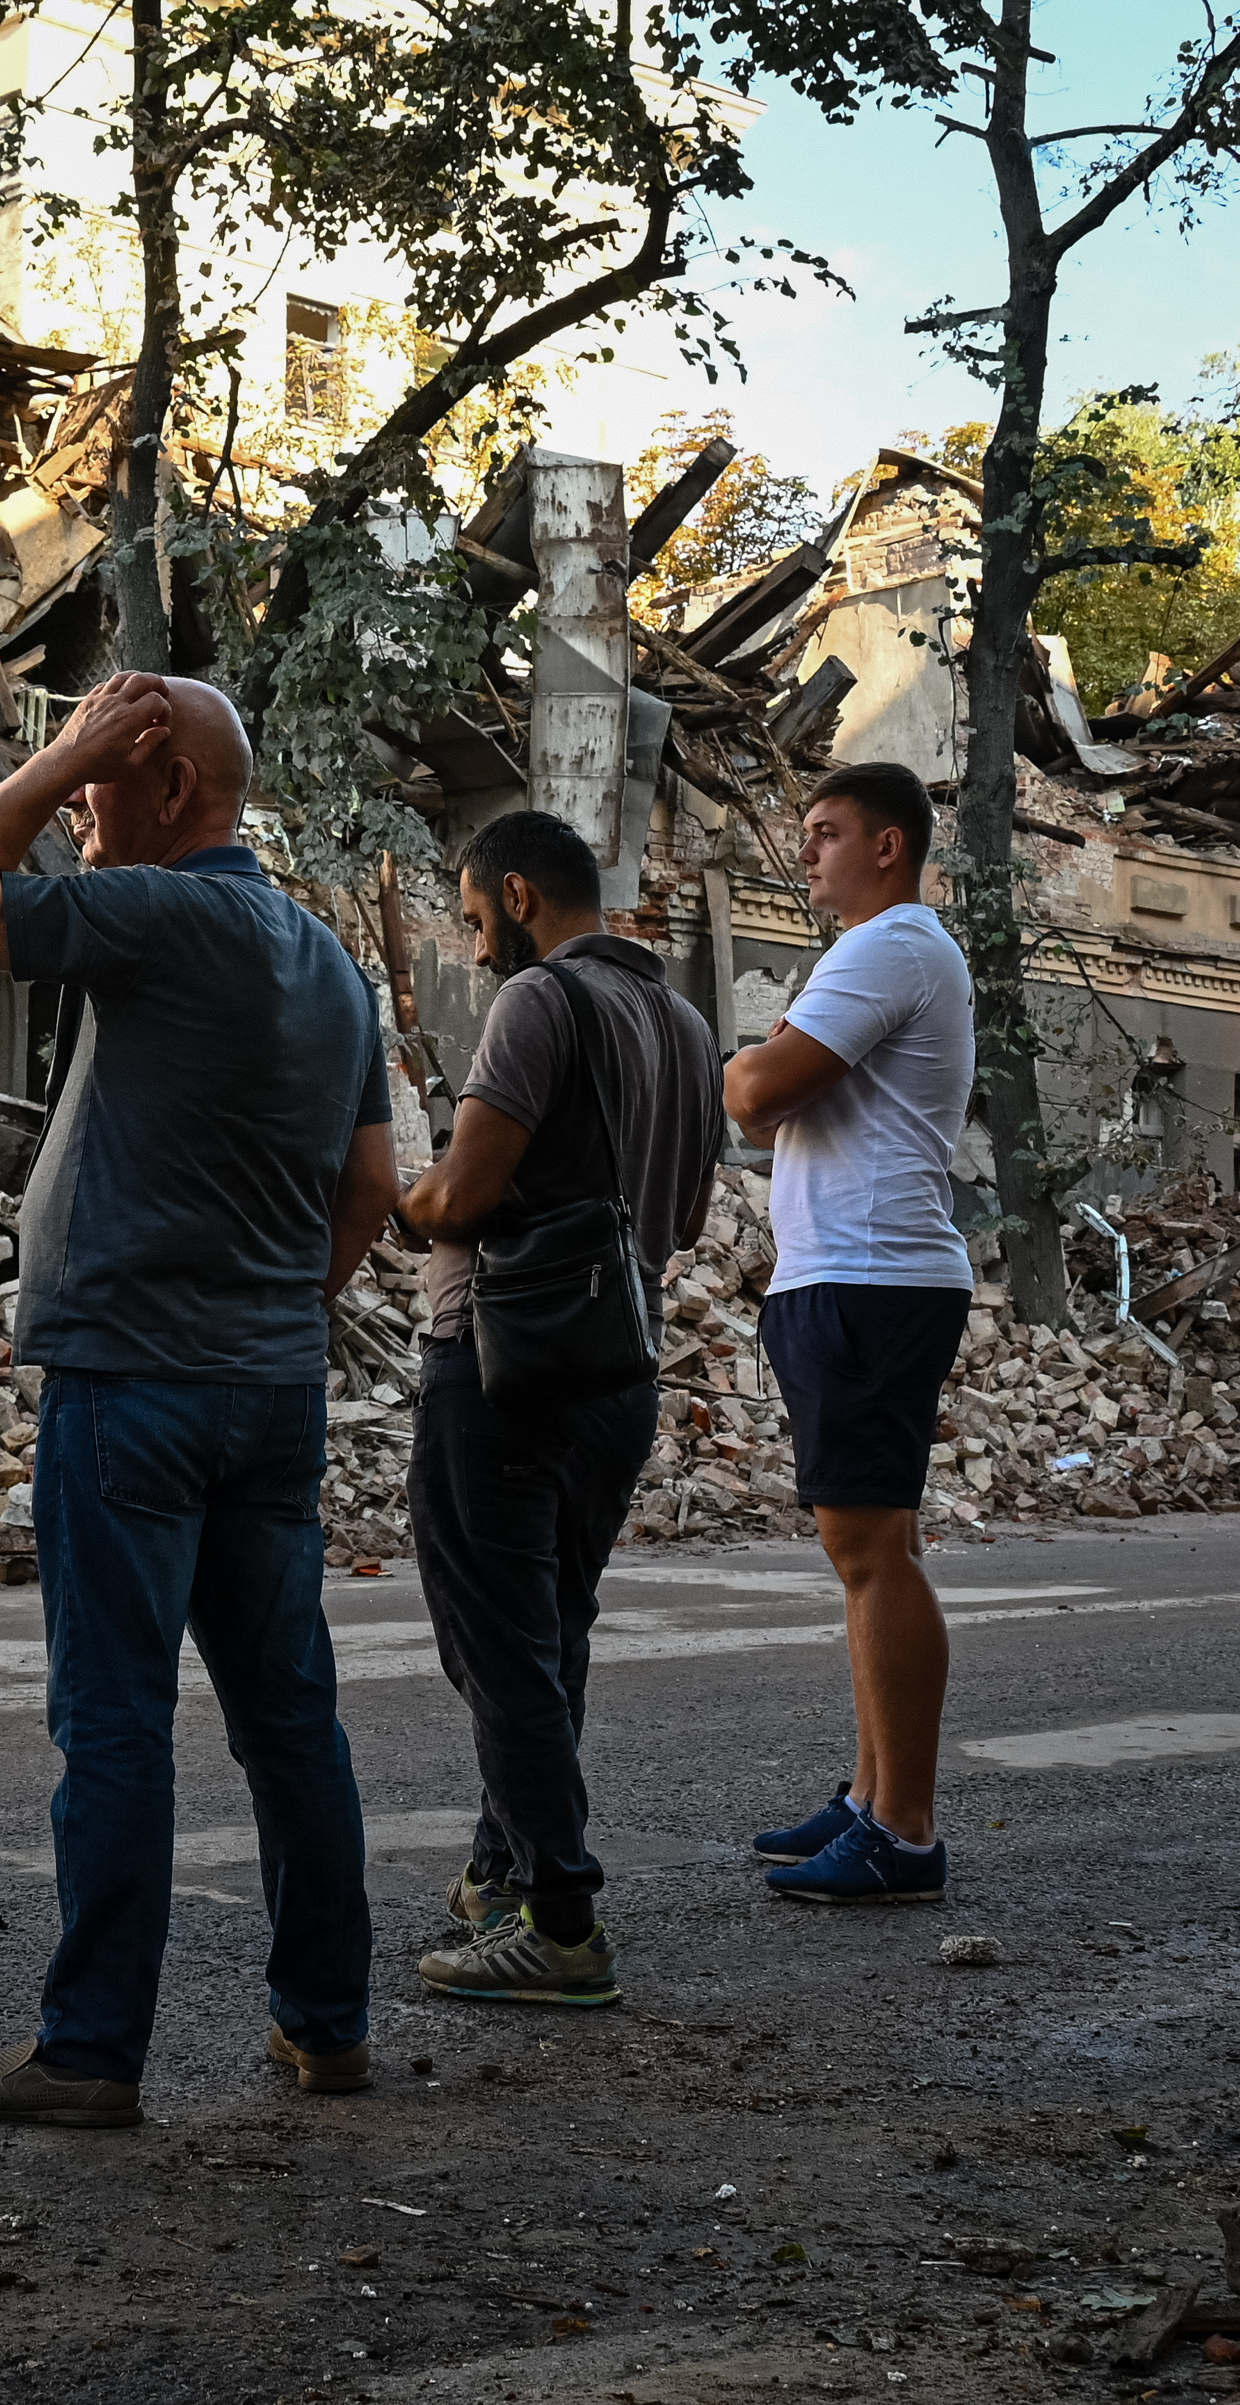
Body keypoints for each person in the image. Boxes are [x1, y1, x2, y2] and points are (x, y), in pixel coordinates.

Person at [0, 672, 398, 2128]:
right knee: (290, 1716)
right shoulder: (326, 959)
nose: (87, 808)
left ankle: (93, 2048)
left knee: (113, 1718)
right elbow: (367, 1190)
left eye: (114, 776)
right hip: (269, 1387)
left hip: (134, 1383)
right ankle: (329, 2022)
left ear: (170, 787)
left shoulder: (165, 915)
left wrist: (57, 755)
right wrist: (277, 1308)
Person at [388, 809, 721, 2005]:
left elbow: (467, 1194)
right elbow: (680, 1221)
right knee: (549, 1635)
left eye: (477, 922)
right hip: (616, 1373)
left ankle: (563, 1921)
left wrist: (398, 1195)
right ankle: (504, 1871)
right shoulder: (683, 1022)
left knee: (499, 1643)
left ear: (519, 897)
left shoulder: (537, 1005)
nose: (476, 953)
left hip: (500, 1369)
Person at [720, 760, 976, 1905]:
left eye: (826, 833)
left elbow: (757, 1092)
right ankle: (872, 1798)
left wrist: (744, 1067)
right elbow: (782, 1099)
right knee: (868, 1551)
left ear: (888, 845)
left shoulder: (889, 947)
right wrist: (765, 1078)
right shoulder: (881, 953)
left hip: (871, 1277)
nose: (808, 850)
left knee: (872, 1553)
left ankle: (903, 1833)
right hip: (857, 1275)